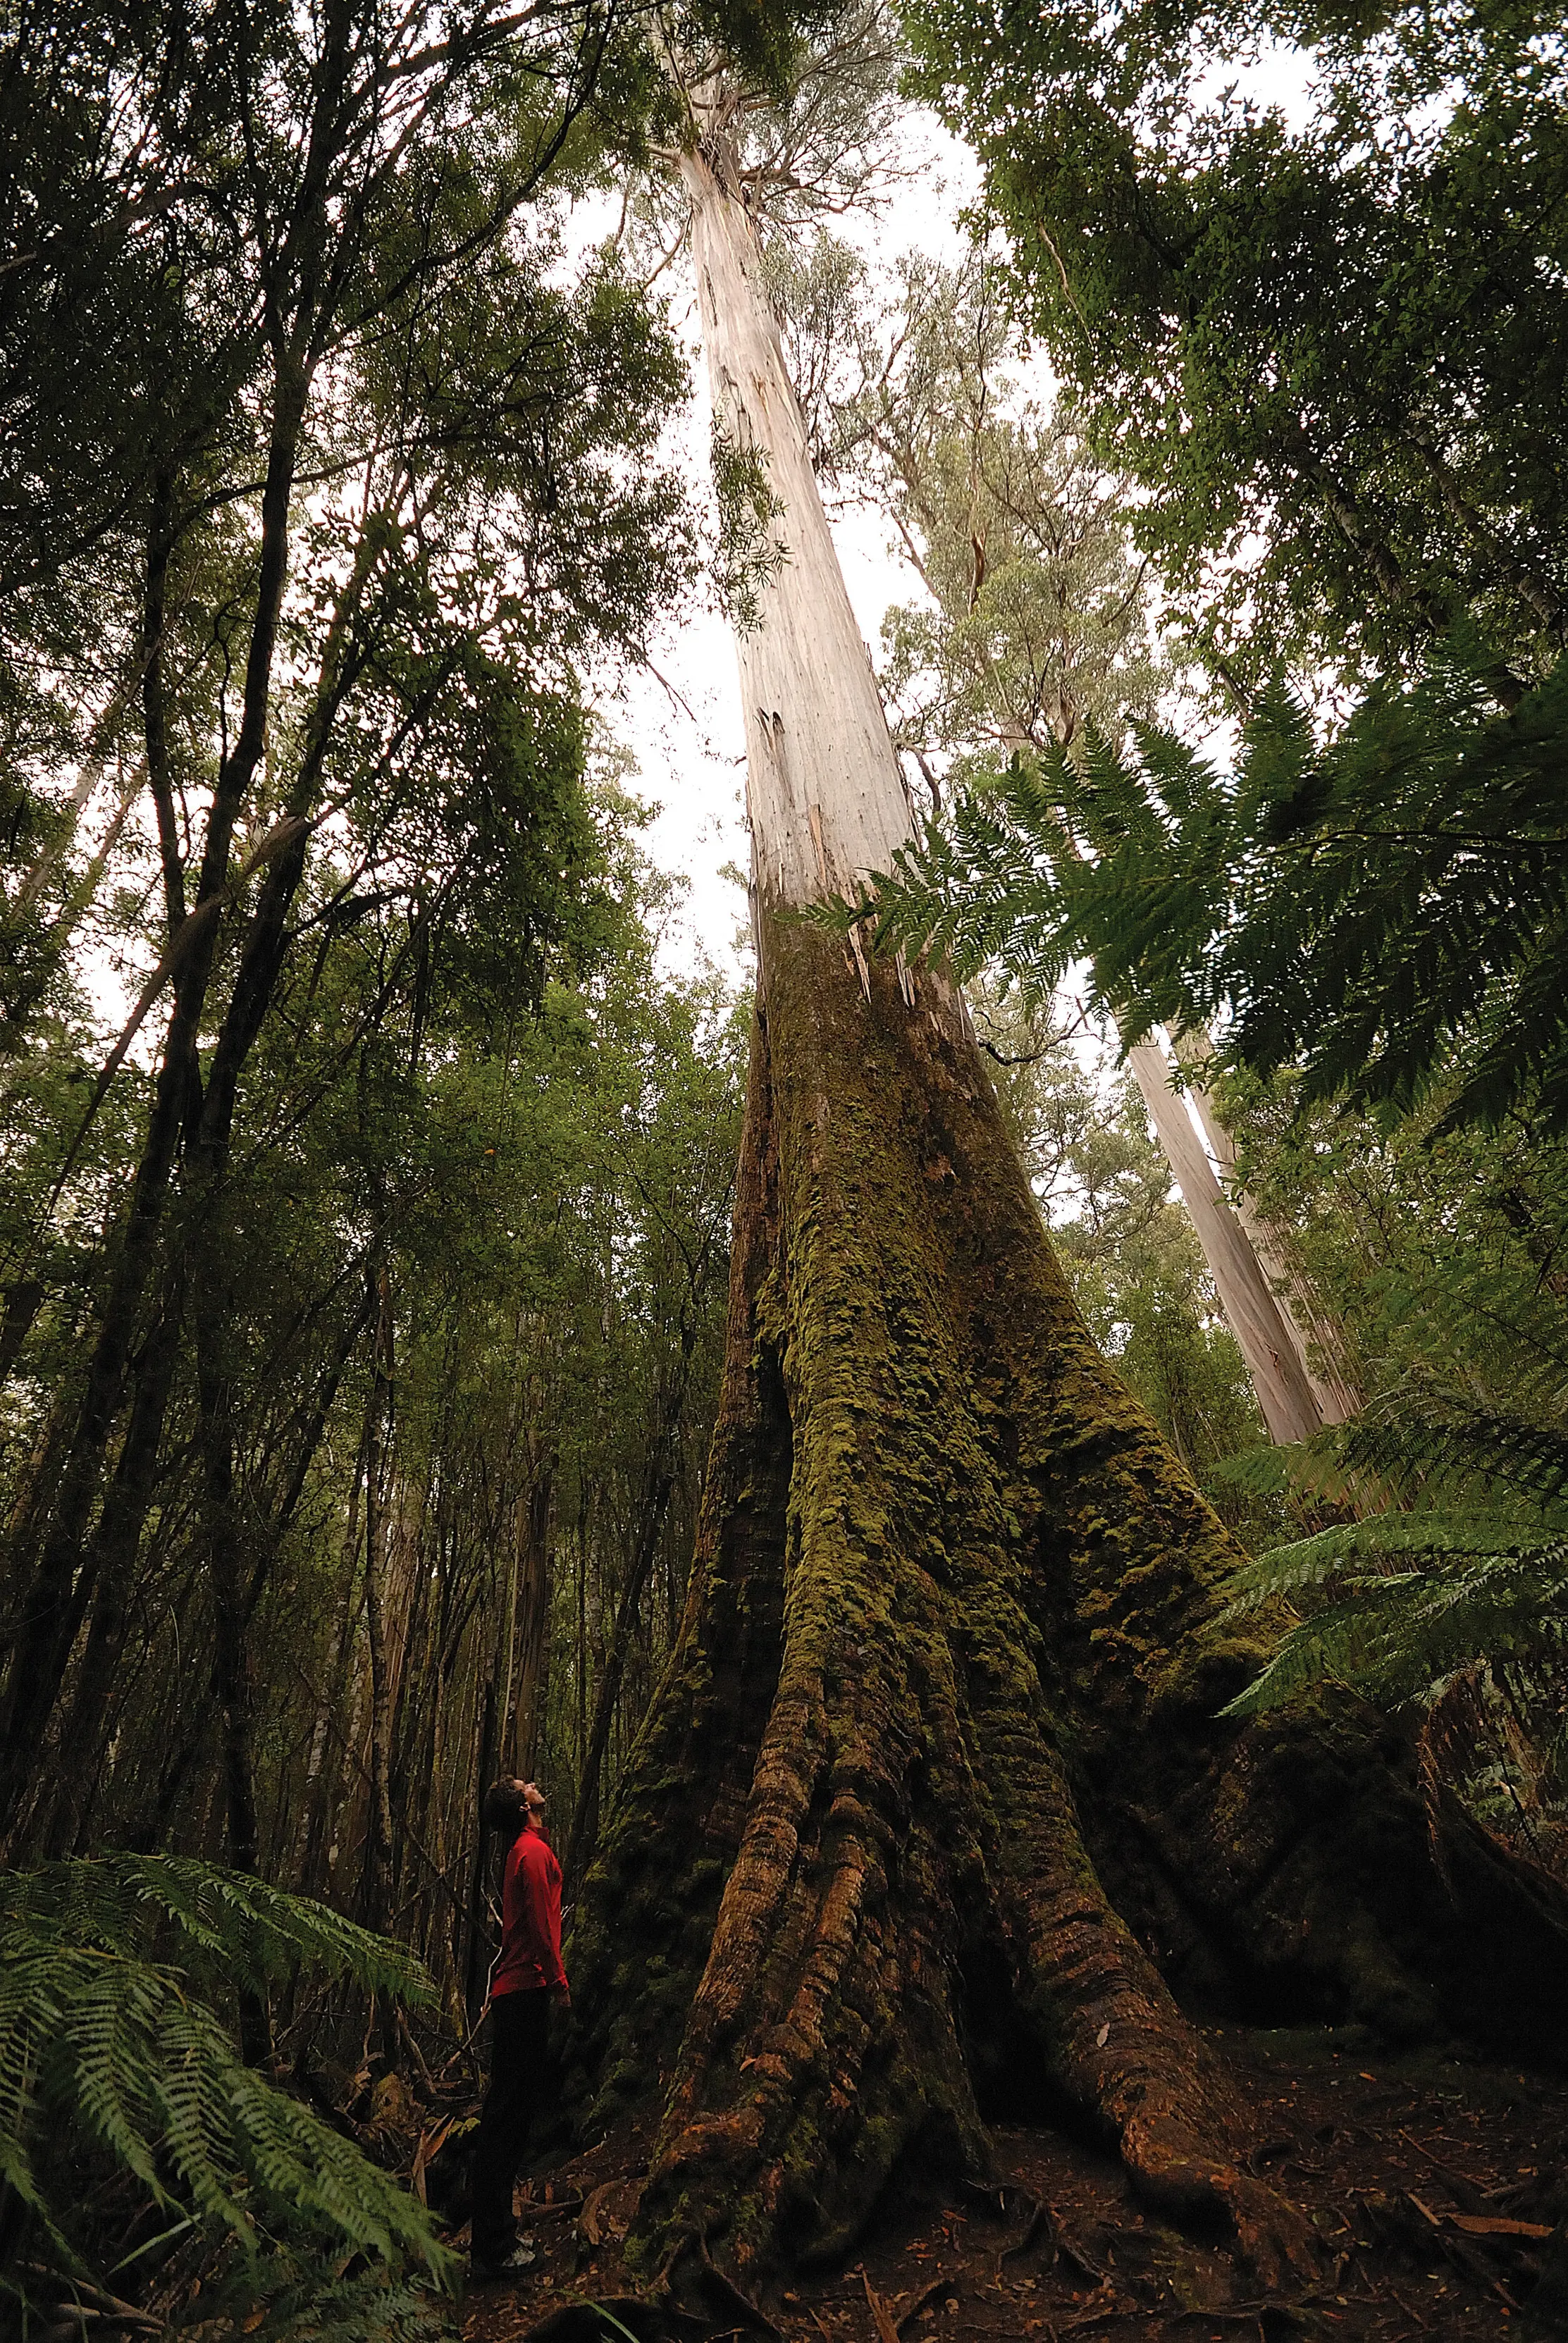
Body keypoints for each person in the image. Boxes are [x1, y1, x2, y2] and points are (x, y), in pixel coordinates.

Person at [469, 1776, 569, 2279]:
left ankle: (496, 2233)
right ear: (522, 1804)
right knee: (506, 2119)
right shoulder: (529, 1854)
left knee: (510, 2115)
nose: (532, 1782)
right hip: (523, 1990)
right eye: (522, 1783)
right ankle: (493, 2244)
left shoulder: (527, 1849)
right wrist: (558, 1979)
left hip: (520, 1990)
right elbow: (537, 1924)